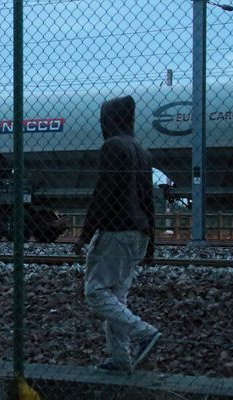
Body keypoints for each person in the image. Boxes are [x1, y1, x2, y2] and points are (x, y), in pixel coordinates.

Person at [72, 95, 160, 373]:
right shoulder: (141, 150)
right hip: (138, 233)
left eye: (103, 117)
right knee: (117, 297)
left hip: (116, 230)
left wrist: (85, 234)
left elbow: (103, 192)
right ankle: (121, 360)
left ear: (110, 119)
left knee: (95, 292)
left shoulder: (112, 146)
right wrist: (152, 242)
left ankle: (144, 332)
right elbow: (149, 200)